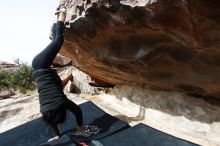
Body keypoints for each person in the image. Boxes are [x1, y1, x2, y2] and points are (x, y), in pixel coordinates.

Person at [32, 7, 85, 141]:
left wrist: (80, 127)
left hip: (41, 65)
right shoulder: (45, 111)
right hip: (39, 67)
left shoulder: (61, 102)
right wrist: (56, 136)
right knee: (55, 40)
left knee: (59, 40)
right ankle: (57, 18)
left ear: (61, 112)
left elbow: (77, 110)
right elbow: (51, 122)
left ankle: (63, 13)